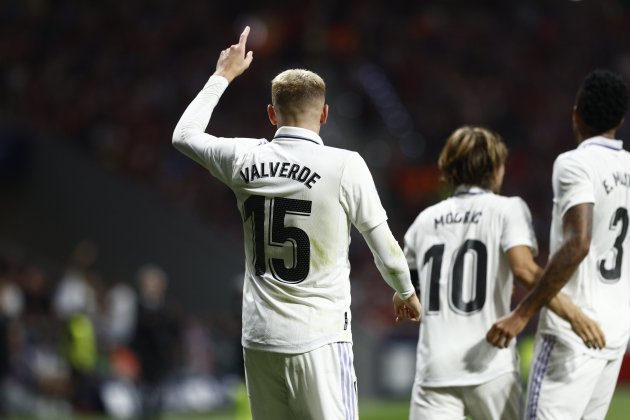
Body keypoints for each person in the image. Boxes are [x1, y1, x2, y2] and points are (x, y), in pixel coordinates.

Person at [172, 27, 421, 420]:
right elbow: (386, 249)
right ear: (324, 114)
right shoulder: (344, 165)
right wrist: (405, 291)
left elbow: (183, 136)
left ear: (272, 114)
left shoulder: (244, 158)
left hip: (260, 339)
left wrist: (223, 75)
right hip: (319, 339)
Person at [404, 126, 603, 419]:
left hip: (435, 369)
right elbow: (524, 270)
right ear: (496, 169)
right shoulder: (507, 209)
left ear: (447, 168)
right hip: (490, 366)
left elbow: (411, 293)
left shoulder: (423, 221)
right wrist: (576, 315)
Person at [487, 69, 630, 419]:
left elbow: (578, 243)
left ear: (575, 112)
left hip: (572, 334)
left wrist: (523, 314)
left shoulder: (574, 163)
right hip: (615, 334)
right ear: (621, 119)